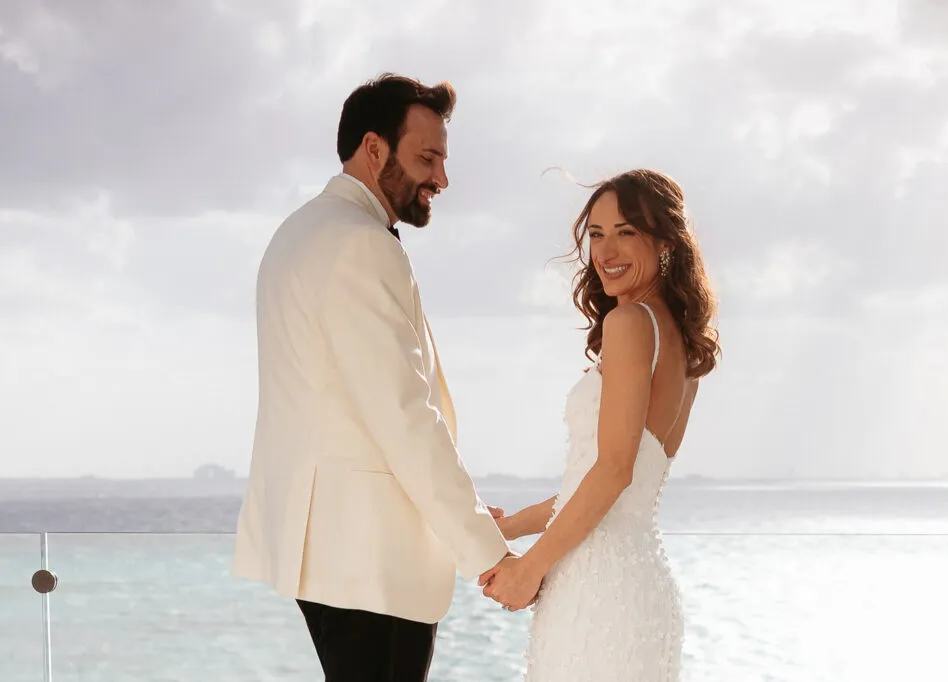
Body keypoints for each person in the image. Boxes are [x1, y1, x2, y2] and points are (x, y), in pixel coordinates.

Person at [231, 73, 520, 682]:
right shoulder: (359, 244)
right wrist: (488, 553)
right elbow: (403, 416)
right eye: (427, 158)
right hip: (370, 559)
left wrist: (462, 514)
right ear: (374, 148)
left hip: (329, 551)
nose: (441, 178)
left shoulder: (298, 232)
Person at [480, 169, 720, 681]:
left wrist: (529, 567)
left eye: (625, 232)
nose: (606, 251)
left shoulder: (630, 323)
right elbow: (602, 482)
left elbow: (613, 472)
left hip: (596, 588)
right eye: (596, 234)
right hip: (638, 587)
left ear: (664, 242)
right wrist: (506, 528)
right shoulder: (682, 348)